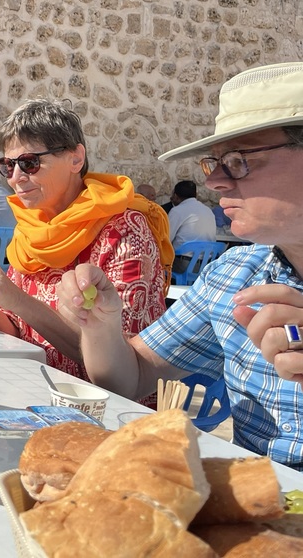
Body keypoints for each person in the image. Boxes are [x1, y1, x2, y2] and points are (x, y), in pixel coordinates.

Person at [57, 62, 303, 466]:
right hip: (253, 511)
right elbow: (131, 377)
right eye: (215, 161)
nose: (216, 181)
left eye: (239, 160)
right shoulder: (232, 275)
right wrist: (101, 327)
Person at [0, 98, 173, 388]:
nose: (15, 178)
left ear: (76, 159)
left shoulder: (124, 230)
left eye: (29, 163)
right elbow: (18, 332)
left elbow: (119, 360)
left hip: (98, 405)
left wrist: (15, 297)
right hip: (31, 387)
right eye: (7, 165)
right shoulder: (33, 226)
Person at [168, 179, 217, 249]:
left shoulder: (177, 211)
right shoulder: (208, 210)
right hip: (208, 258)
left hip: (184, 258)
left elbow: (167, 238)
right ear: (196, 195)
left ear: (175, 196)